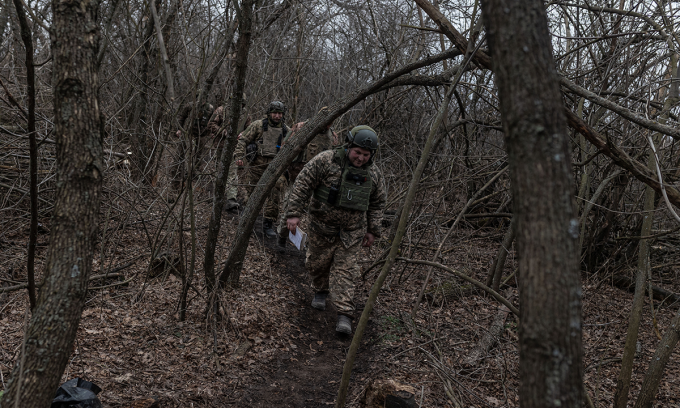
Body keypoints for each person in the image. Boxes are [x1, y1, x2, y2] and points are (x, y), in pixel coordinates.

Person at [284, 125, 386, 335]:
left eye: (366, 155)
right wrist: (294, 213)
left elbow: (377, 204)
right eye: (357, 152)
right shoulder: (326, 160)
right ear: (348, 146)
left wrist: (373, 230)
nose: (360, 158)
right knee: (316, 263)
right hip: (320, 227)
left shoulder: (374, 174)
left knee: (346, 271)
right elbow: (303, 184)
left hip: (352, 232)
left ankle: (344, 315)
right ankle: (320, 291)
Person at [276, 114, 339, 246]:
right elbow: (285, 148)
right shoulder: (302, 128)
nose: (327, 125)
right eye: (326, 121)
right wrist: (283, 171)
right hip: (298, 177)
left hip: (320, 182)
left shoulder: (333, 136)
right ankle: (281, 236)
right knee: (290, 208)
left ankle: (310, 244)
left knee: (316, 213)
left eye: (330, 122)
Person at [234, 101, 289, 237]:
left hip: (274, 168)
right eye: (274, 113)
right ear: (269, 113)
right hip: (256, 166)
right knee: (251, 193)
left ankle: (268, 223)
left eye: (280, 113)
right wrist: (239, 156)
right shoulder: (258, 125)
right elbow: (243, 140)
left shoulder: (286, 131)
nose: (277, 116)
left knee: (276, 193)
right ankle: (247, 219)